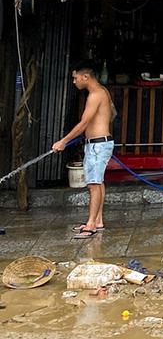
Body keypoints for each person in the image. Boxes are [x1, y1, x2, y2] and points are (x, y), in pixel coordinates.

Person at [53, 61, 117, 239]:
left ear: (86, 77)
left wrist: (63, 141)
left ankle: (91, 225)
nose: (74, 81)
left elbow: (83, 124)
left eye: (76, 78)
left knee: (93, 185)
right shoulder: (103, 91)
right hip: (99, 143)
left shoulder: (95, 95)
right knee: (99, 182)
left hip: (98, 145)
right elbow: (113, 113)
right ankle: (98, 221)